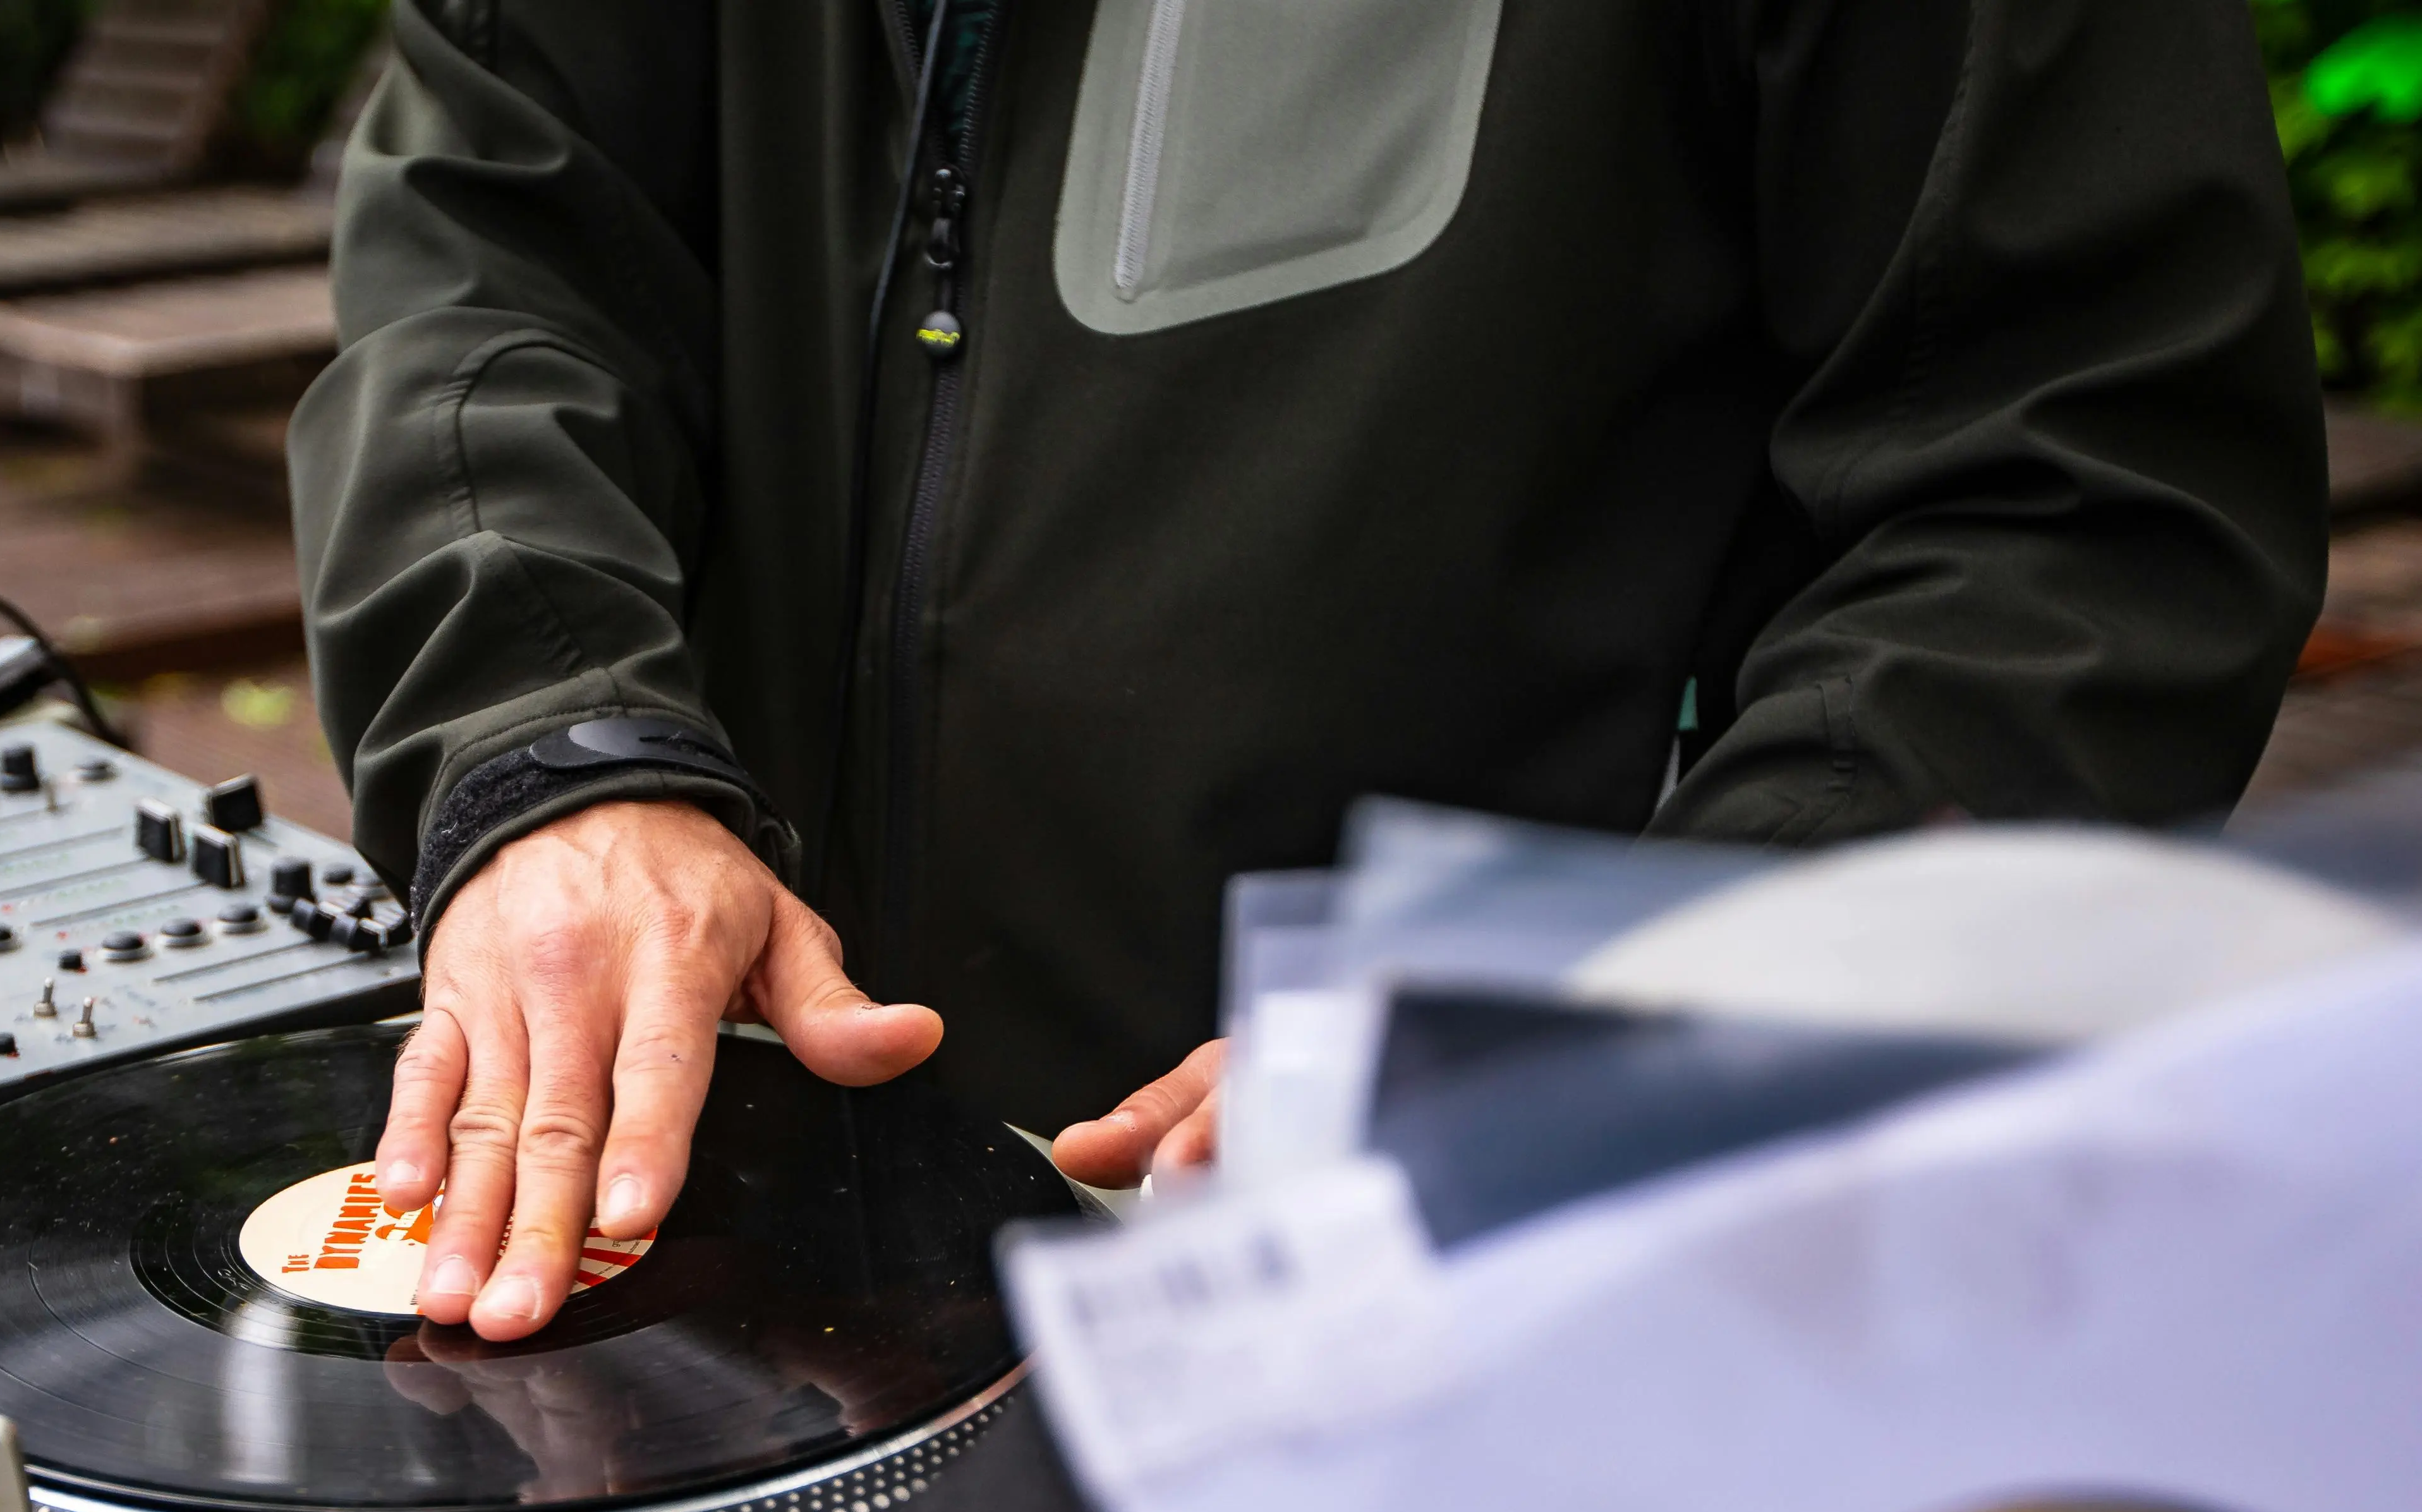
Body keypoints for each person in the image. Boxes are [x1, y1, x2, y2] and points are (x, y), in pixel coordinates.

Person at [290, 0, 2325, 1342]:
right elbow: (496, 242)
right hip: (752, 1281)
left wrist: (1595, 1005)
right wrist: (549, 738)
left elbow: (2074, 501)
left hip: (1488, 1297)